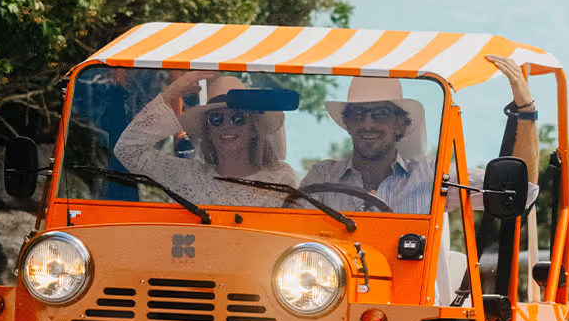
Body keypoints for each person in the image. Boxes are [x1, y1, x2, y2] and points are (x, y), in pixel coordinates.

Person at [300, 56, 539, 215]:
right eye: (359, 113)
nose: (368, 123)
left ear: (400, 126)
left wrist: (526, 111)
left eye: (380, 114)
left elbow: (521, 191)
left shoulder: (433, 177)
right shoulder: (322, 176)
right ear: (348, 124)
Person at [113, 70, 296, 208]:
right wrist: (171, 93)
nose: (227, 125)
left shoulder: (281, 180)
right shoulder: (189, 176)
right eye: (216, 118)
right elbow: (128, 150)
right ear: (208, 130)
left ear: (254, 128)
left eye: (237, 117)